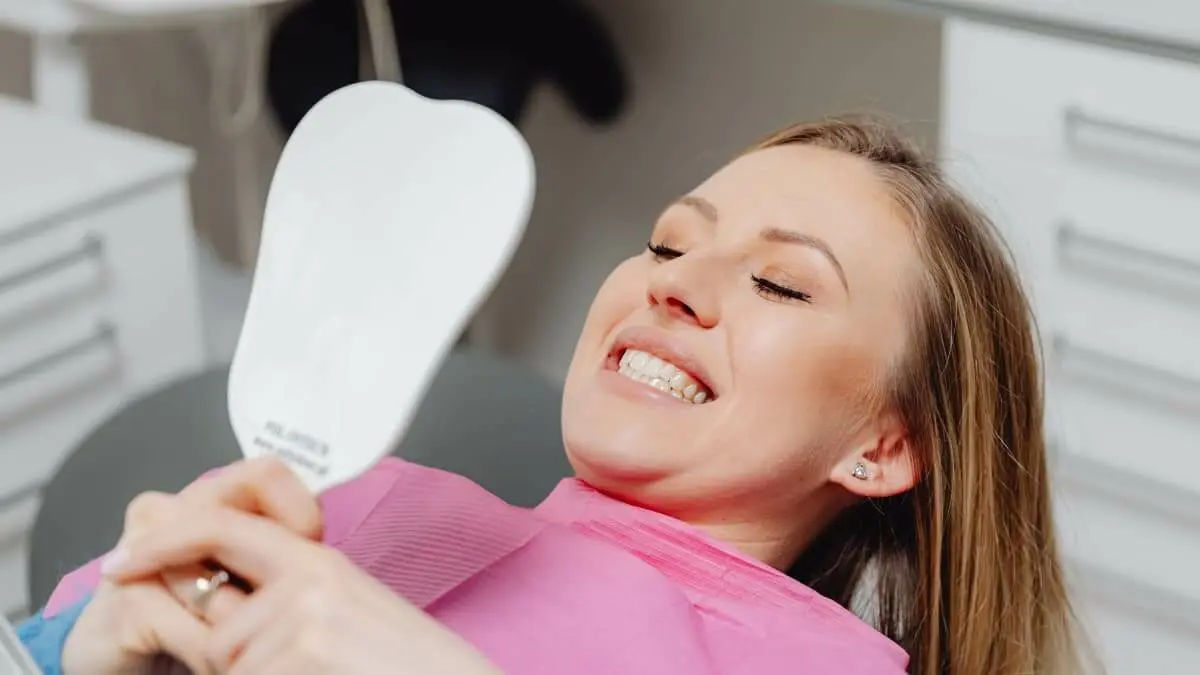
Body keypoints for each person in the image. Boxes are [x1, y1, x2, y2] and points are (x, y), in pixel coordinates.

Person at [17, 117, 1085, 675]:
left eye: (780, 283)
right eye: (667, 242)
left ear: (884, 446)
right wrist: (80, 651)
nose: (673, 282)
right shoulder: (361, 503)